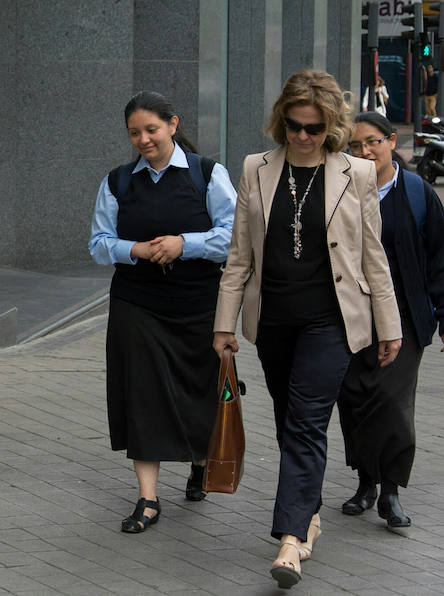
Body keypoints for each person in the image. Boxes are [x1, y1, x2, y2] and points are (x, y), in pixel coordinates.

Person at [212, 70, 402, 589]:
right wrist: (223, 324)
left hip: (331, 321)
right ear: (282, 123)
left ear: (330, 128)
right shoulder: (256, 169)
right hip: (272, 321)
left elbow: (373, 258)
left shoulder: (355, 175)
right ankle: (309, 510)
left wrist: (389, 327)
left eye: (314, 129)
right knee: (287, 418)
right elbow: (238, 256)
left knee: (306, 422)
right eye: (295, 126)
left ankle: (291, 540)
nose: (303, 137)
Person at [89, 91, 237, 533]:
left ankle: (198, 460)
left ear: (173, 125)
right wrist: (133, 249)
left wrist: (183, 244)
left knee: (198, 389)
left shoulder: (207, 175)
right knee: (142, 393)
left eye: (151, 130)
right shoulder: (117, 181)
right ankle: (148, 498)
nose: (143, 139)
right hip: (138, 303)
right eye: (135, 133)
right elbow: (99, 243)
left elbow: (233, 234)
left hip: (198, 304)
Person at [339, 112, 444, 529]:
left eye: (372, 142)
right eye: (354, 145)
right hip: (352, 316)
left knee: (391, 402)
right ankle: (366, 482)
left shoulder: (417, 192)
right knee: (355, 399)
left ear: (391, 141)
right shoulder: (341, 190)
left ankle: (391, 491)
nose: (364, 152)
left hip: (405, 317)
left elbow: (439, 259)